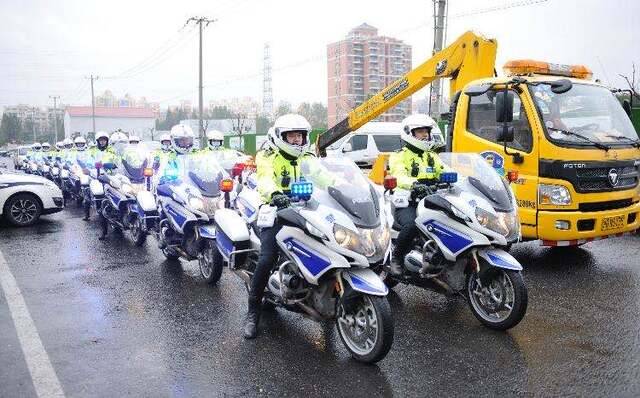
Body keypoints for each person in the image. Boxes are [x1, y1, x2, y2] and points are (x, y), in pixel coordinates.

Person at [243, 113, 316, 339]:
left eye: (300, 136)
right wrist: (275, 194)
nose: (296, 140)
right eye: (292, 136)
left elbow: (324, 177)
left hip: (306, 211)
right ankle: (253, 311)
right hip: (274, 212)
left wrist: (344, 184)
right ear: (280, 136)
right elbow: (264, 179)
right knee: (267, 257)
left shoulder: (309, 156)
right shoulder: (267, 156)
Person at [388, 114, 446, 276]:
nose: (425, 135)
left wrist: (463, 179)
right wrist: (414, 184)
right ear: (410, 134)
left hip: (433, 201)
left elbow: (447, 171)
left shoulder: (431, 156)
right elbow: (399, 175)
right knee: (413, 224)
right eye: (420, 131)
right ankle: (396, 258)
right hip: (409, 202)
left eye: (426, 131)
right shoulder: (399, 156)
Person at [85, 131, 117, 224]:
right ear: (97, 141)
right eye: (101, 140)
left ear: (107, 141)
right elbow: (88, 161)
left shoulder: (112, 150)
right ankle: (87, 214)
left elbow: (117, 160)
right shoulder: (93, 150)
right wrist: (93, 165)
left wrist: (113, 165)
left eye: (104, 140)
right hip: (96, 174)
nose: (103, 142)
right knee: (88, 193)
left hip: (109, 174)